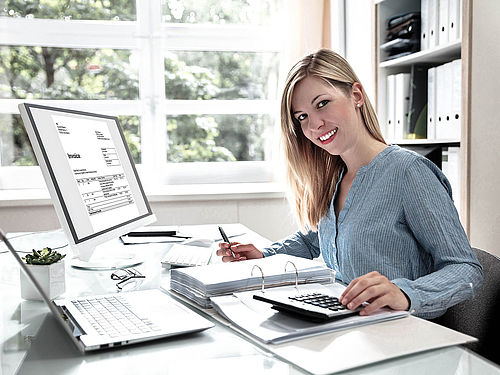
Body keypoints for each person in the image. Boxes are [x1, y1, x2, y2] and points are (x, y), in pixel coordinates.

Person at [216, 48, 483, 319]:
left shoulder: (408, 173)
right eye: (302, 117)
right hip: (348, 328)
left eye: (322, 103)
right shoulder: (335, 176)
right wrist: (264, 254)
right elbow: (315, 238)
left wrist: (405, 294)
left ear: (356, 95)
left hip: (400, 334)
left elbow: (464, 268)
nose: (314, 125)